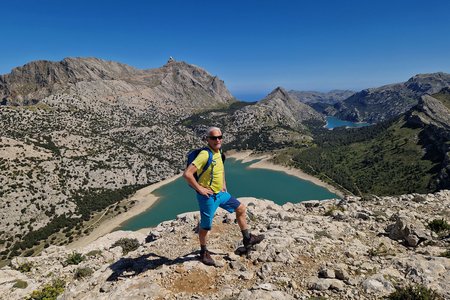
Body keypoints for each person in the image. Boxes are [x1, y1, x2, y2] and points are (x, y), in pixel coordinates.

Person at [183, 126, 264, 266]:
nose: (217, 140)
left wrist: (223, 184)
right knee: (205, 227)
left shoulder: (219, 152)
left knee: (241, 209)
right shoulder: (204, 154)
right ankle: (203, 252)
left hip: (221, 194)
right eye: (214, 138)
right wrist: (200, 189)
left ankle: (247, 238)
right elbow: (187, 174)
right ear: (207, 139)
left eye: (220, 137)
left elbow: (220, 169)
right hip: (208, 198)